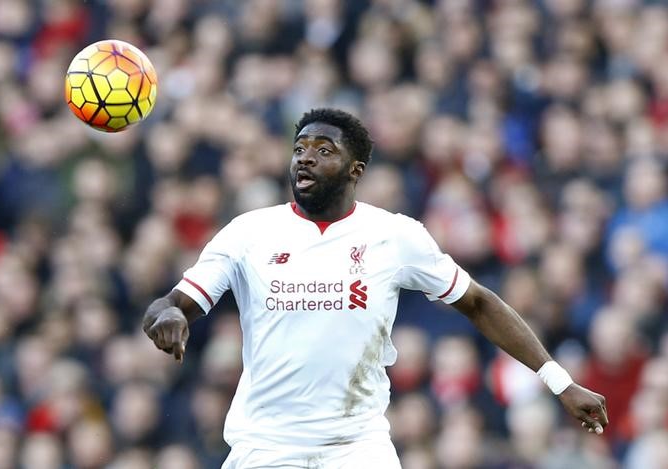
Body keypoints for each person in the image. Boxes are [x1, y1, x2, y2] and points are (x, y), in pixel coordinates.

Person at [143, 108, 608, 468]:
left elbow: (479, 303)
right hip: (266, 447)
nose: (305, 156)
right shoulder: (248, 233)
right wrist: (168, 314)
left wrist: (559, 382)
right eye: (300, 147)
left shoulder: (394, 236)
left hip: (356, 446)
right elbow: (174, 303)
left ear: (355, 170)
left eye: (324, 150)